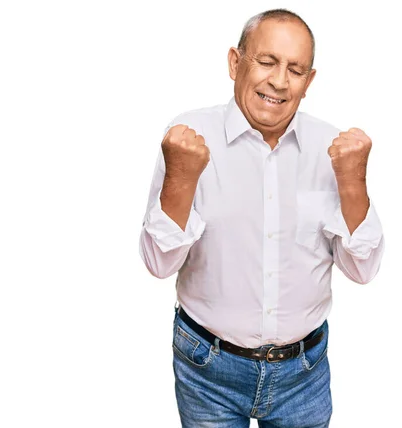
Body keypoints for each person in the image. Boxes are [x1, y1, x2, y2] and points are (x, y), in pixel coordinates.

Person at [139, 8, 385, 428]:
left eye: (295, 69)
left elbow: (362, 269)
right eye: (267, 62)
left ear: (308, 82)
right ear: (236, 62)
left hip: (303, 374)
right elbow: (159, 264)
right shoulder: (190, 137)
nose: (279, 81)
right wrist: (181, 177)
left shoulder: (333, 146)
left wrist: (353, 182)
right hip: (207, 368)